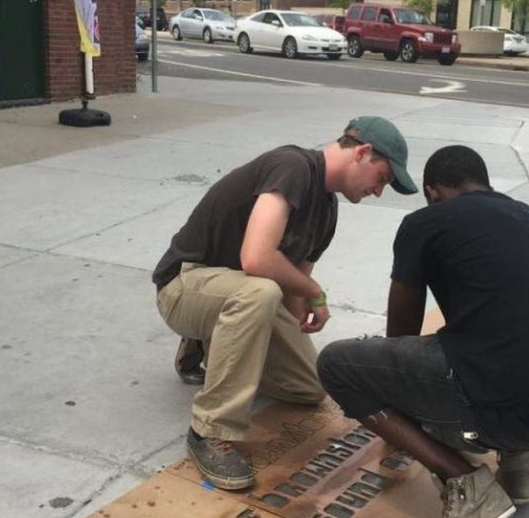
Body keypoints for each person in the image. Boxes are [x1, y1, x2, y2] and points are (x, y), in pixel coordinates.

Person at [318, 145, 529, 518]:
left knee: (338, 364)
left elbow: (400, 331)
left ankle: (466, 485)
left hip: (514, 408)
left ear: (432, 192)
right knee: (497, 339)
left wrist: (398, 417)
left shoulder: (426, 222)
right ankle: (521, 470)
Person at [153, 116, 417, 490]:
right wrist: (314, 290)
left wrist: (296, 327)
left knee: (309, 387)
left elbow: (291, 286)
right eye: (383, 178)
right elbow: (258, 259)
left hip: (237, 296)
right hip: (184, 285)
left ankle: (219, 339)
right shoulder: (293, 166)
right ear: (362, 152)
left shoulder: (327, 210)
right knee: (259, 292)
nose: (379, 191)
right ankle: (208, 431)